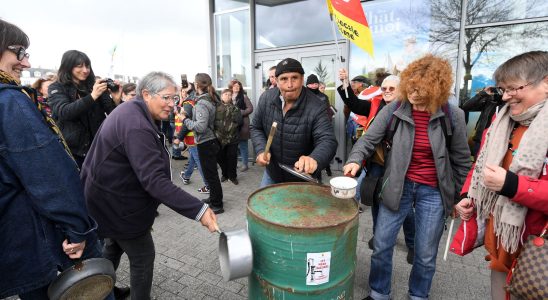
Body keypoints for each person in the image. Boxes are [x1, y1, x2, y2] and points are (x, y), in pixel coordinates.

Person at [343, 55, 471, 300]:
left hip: (433, 192)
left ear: (437, 91)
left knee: (424, 253)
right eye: (410, 90)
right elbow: (367, 140)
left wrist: (462, 195)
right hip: (397, 186)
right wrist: (353, 160)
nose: (414, 98)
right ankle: (379, 293)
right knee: (381, 246)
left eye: (421, 94)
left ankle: (418, 295)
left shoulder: (453, 116)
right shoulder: (394, 109)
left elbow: (462, 161)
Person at [81, 71, 218, 300]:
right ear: (146, 94)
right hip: (117, 204)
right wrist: (199, 210)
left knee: (113, 246)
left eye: (174, 99)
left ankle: (97, 289)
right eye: (166, 98)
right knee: (143, 256)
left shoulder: (132, 111)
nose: (172, 105)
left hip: (108, 199)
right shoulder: (136, 124)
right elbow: (154, 181)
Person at [0, 19, 110, 300]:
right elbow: (46, 174)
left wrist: (104, 94)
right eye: (19, 52)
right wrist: (77, 229)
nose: (25, 63)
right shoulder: (11, 101)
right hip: (45, 238)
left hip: (17, 239)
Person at [455, 51, 548, 300]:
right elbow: (481, 166)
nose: (505, 96)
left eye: (513, 88)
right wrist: (468, 195)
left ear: (546, 83)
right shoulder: (503, 119)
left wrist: (511, 185)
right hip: (501, 242)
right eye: (502, 89)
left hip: (537, 249)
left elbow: (507, 181)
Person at [338, 70, 415, 263]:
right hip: (376, 163)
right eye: (384, 88)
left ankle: (413, 244)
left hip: (398, 167)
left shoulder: (411, 109)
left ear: (402, 90)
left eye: (392, 88)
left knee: (402, 207)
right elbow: (353, 104)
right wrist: (346, 82)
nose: (387, 91)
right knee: (374, 199)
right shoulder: (375, 104)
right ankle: (379, 235)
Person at [251, 58, 337, 186]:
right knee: (262, 205)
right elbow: (256, 127)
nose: (290, 85)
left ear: (302, 79)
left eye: (294, 78)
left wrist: (314, 158)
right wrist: (261, 149)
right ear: (276, 81)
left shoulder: (316, 105)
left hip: (304, 178)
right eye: (284, 79)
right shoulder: (266, 98)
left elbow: (328, 139)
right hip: (273, 173)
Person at [48, 50, 121, 168]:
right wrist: (93, 96)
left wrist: (117, 100)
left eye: (87, 66)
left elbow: (112, 115)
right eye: (79, 66)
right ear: (68, 66)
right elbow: (64, 112)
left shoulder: (95, 86)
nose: (85, 70)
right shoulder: (56, 87)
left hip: (98, 147)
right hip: (72, 151)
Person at [181, 73, 225, 214]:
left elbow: (200, 127)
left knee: (211, 175)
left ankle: (217, 204)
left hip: (206, 142)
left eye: (194, 83)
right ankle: (213, 198)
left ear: (198, 85)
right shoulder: (210, 98)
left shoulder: (202, 103)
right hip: (210, 141)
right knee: (211, 173)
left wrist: (184, 120)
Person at [176, 88, 209, 194]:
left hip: (192, 138)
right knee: (194, 159)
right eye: (182, 91)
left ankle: (208, 185)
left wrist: (179, 138)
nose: (183, 93)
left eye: (185, 91)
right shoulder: (187, 102)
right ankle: (186, 176)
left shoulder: (187, 104)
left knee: (198, 160)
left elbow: (186, 122)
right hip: (192, 138)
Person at [460, 86, 504, 159]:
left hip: (496, 143)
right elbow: (466, 107)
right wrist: (482, 94)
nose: (499, 91)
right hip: (480, 140)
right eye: (498, 88)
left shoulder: (508, 104)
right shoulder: (491, 101)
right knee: (476, 164)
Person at [307, 73, 333, 176]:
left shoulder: (323, 97)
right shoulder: (302, 96)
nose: (313, 86)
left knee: (321, 148)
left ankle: (325, 169)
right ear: (307, 85)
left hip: (320, 128)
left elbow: (328, 111)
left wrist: (327, 122)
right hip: (307, 128)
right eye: (311, 84)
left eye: (315, 84)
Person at [216, 88, 243, 185]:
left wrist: (233, 130)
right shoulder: (216, 108)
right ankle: (225, 174)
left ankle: (232, 176)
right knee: (220, 157)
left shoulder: (235, 108)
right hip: (219, 138)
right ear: (221, 96)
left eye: (229, 94)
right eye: (226, 94)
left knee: (232, 158)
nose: (228, 96)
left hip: (233, 139)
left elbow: (240, 122)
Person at [229, 79, 253, 172]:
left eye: (238, 86)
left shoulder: (244, 96)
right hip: (232, 125)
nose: (237, 87)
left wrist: (240, 112)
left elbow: (250, 108)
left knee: (243, 145)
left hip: (243, 124)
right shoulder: (229, 96)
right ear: (231, 87)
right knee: (233, 146)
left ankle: (245, 164)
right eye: (235, 86)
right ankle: (234, 164)